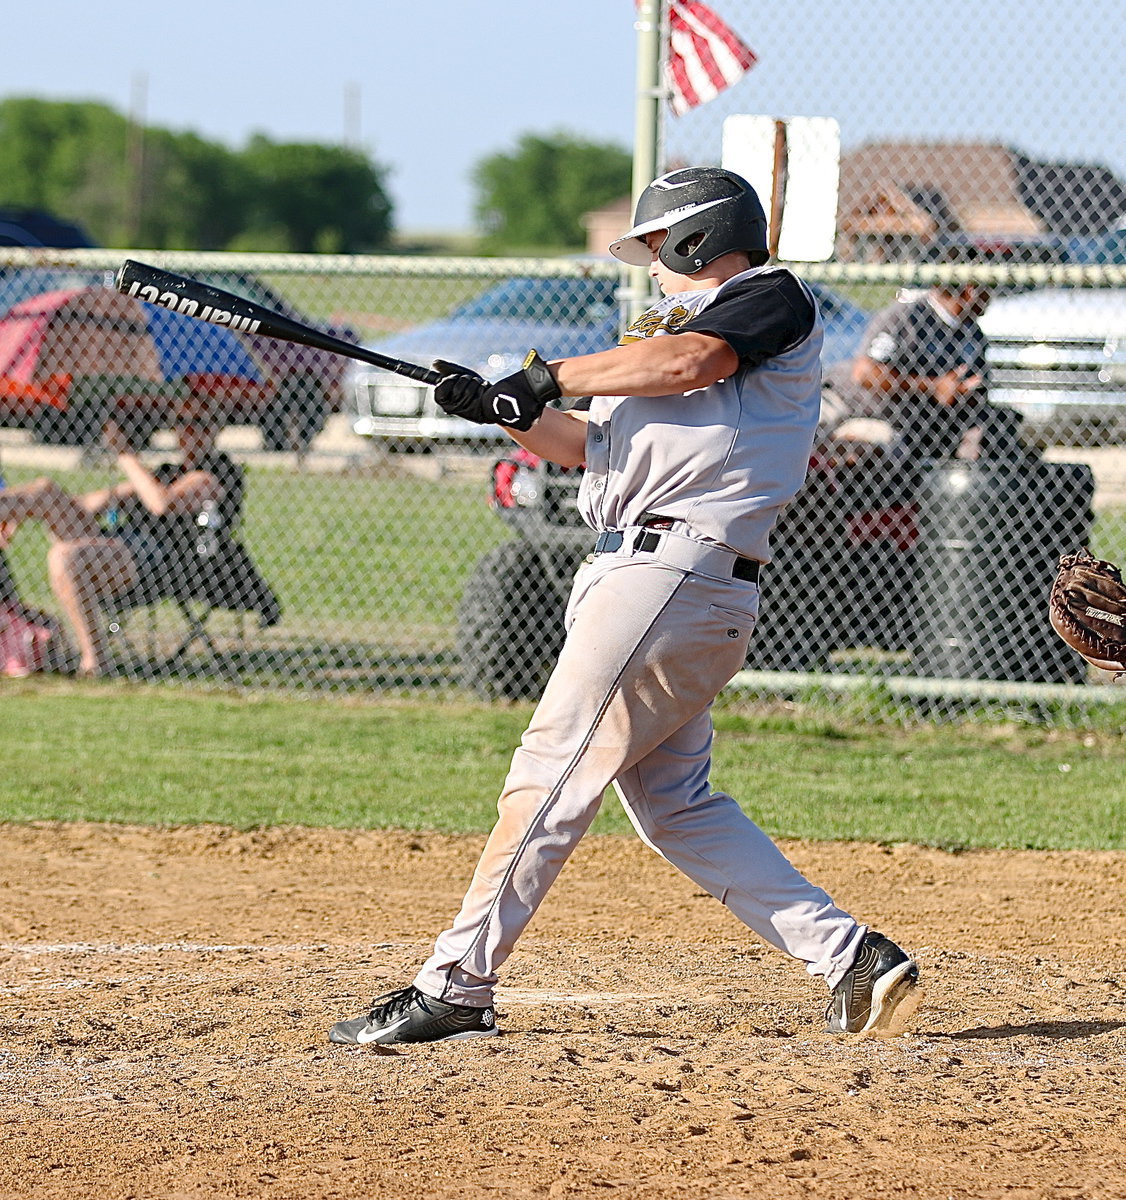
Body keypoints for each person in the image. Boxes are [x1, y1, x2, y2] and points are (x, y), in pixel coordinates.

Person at [329, 167, 922, 1047]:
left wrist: (548, 373)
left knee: (549, 775)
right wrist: (503, 410)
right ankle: (850, 958)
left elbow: (694, 362)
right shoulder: (659, 336)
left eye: (655, 250)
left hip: (670, 577)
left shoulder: (766, 300)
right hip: (655, 581)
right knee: (675, 803)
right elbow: (584, 448)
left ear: (694, 238)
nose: (649, 268)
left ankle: (456, 985)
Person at [0, 395, 242, 676]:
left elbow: (161, 504)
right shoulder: (166, 471)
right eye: (181, 422)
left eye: (199, 423)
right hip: (121, 545)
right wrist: (26, 511)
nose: (188, 431)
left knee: (65, 557)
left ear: (217, 429)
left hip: (161, 561)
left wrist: (125, 455)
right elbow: (91, 504)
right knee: (44, 491)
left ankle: (96, 660)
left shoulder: (218, 472)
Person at [848, 258, 1029, 466]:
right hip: (889, 418)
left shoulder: (972, 331)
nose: (992, 296)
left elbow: (975, 389)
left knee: (1000, 427)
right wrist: (934, 387)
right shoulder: (907, 317)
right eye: (989, 287)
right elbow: (865, 373)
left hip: (941, 423)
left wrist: (965, 393)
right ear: (971, 290)